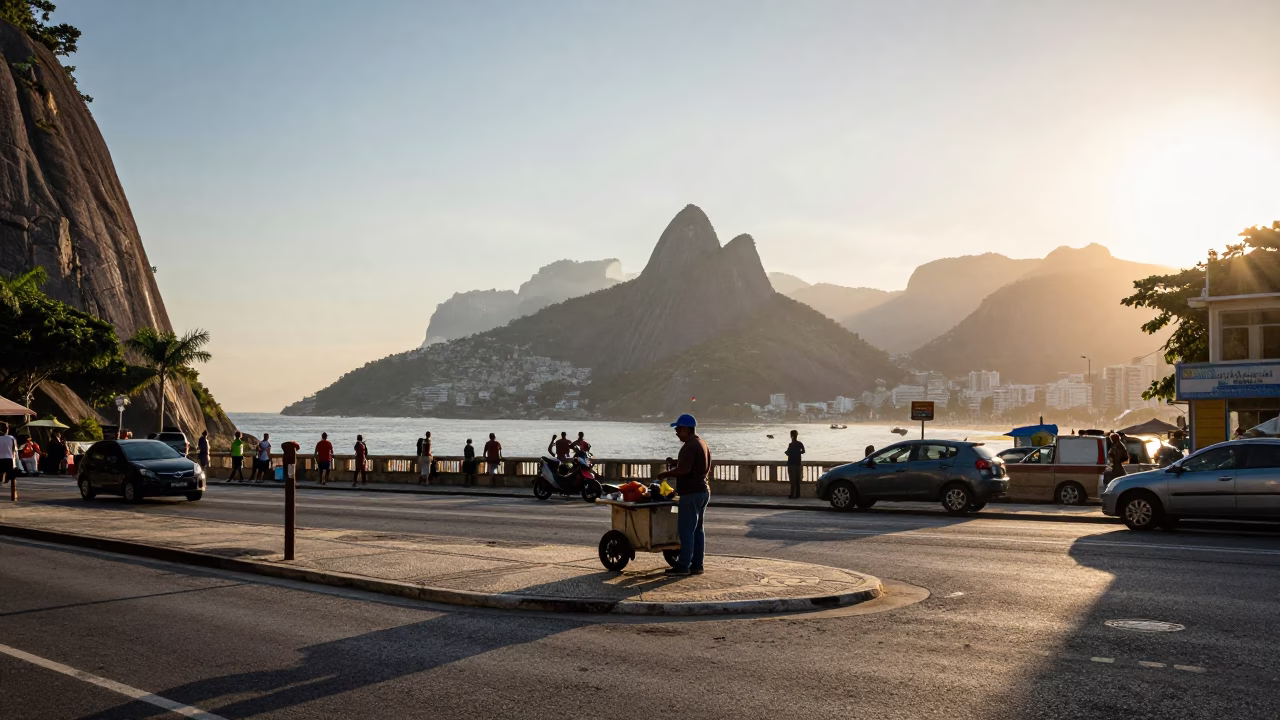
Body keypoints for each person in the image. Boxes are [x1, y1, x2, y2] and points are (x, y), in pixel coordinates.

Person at [655, 414, 711, 577]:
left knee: (686, 530)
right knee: (697, 530)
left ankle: (683, 565)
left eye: (678, 429)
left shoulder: (689, 446)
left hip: (691, 493)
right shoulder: (702, 444)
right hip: (703, 491)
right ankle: (697, 565)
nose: (677, 433)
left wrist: (665, 474)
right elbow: (698, 466)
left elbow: (684, 470)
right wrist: (676, 463)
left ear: (686, 429)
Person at [785, 430, 806, 499]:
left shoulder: (791, 444)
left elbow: (788, 453)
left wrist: (789, 453)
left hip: (791, 463)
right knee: (797, 480)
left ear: (791, 436)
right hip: (798, 463)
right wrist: (798, 452)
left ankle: (792, 494)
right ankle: (797, 494)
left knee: (792, 480)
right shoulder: (800, 443)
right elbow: (803, 451)